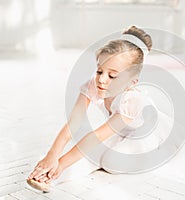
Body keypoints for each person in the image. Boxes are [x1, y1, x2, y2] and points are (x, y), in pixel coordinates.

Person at [27, 25, 175, 192]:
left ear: (131, 82)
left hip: (142, 138)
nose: (102, 80)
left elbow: (96, 136)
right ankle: (49, 178)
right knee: (90, 153)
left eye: (112, 76)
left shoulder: (132, 101)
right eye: (99, 71)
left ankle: (154, 154)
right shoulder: (94, 84)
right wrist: (51, 156)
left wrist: (60, 163)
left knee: (111, 162)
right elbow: (74, 122)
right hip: (120, 133)